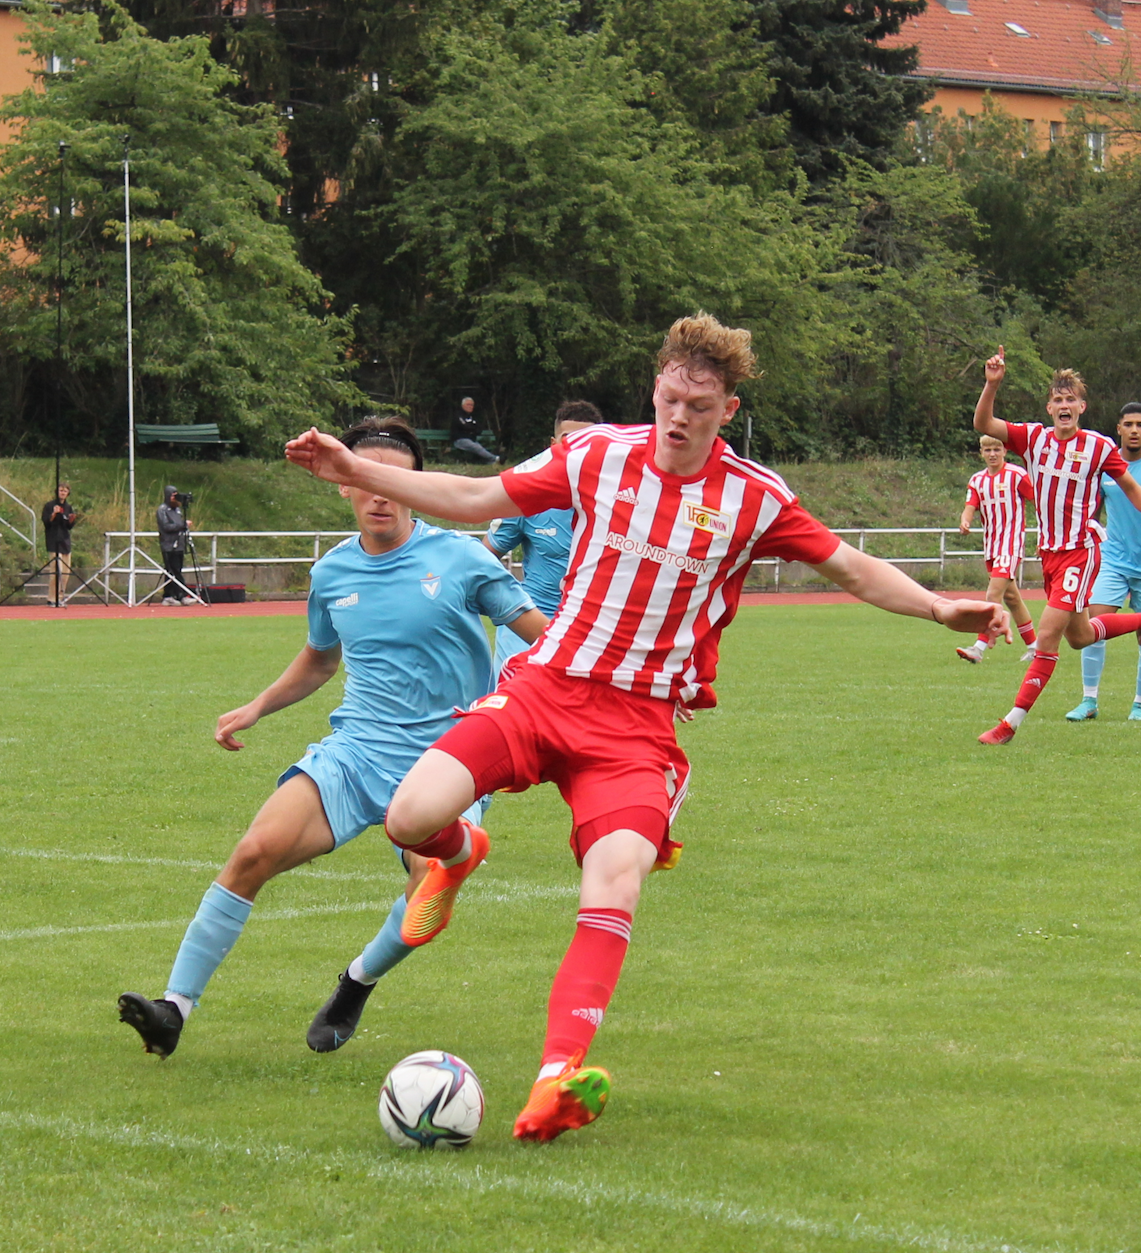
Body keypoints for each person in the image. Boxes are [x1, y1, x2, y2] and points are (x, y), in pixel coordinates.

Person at [285, 314, 1009, 1144]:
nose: (679, 417)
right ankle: (457, 854)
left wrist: (934, 605)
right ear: (656, 388)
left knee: (616, 876)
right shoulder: (596, 454)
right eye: (670, 397)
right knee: (412, 816)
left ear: (727, 410)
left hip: (637, 729)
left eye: (699, 407)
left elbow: (847, 564)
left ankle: (557, 1078)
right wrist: (346, 467)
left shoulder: (755, 497)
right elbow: (476, 497)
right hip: (545, 690)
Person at [118, 420, 548, 1059]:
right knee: (253, 851)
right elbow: (321, 660)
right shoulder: (332, 572)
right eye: (361, 476)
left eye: (392, 479)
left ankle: (357, 981)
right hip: (356, 752)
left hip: (451, 755)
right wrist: (258, 706)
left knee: (429, 886)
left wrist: (618, 682)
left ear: (414, 485)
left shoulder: (461, 558)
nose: (379, 494)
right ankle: (173, 1009)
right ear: (344, 485)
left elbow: (543, 633)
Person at [971, 350, 1141, 745]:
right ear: (1050, 406)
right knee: (1080, 636)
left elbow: (1130, 485)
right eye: (1058, 400)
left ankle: (1009, 724)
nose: (1065, 406)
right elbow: (983, 423)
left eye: (1072, 400)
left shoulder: (1099, 447)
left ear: (1082, 407)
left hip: (1081, 551)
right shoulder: (1032, 438)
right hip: (1049, 553)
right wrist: (992, 384)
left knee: (1048, 639)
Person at [1069, 404, 1141, 722]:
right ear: (1118, 429)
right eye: (1128, 424)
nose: (1134, 430)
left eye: (1140, 424)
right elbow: (1090, 511)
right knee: (1094, 626)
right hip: (1111, 559)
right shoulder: (1106, 467)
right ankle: (1089, 700)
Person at [484, 401, 600, 663]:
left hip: (588, 635)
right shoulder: (526, 497)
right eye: (569, 441)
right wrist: (509, 603)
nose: (577, 451)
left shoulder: (618, 504)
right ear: (553, 444)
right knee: (513, 702)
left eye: (588, 443)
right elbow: (483, 557)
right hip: (526, 630)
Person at [955, 433, 1038, 665]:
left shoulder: (1016, 475)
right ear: (981, 453)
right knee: (1012, 598)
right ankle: (1035, 647)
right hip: (991, 547)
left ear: (1005, 451)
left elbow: (1039, 504)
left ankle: (979, 648)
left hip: (1010, 545)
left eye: (997, 449)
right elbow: (970, 505)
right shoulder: (977, 480)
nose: (992, 454)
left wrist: (1045, 534)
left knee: (993, 595)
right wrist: (965, 521)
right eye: (988, 450)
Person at [155, 485, 196, 606]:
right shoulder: (162, 510)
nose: (175, 498)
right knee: (172, 571)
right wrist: (183, 525)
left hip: (179, 544)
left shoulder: (177, 510)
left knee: (176, 570)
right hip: (168, 544)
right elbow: (166, 527)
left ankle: (170, 595)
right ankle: (181, 595)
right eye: (173, 495)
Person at [39, 483, 78, 605]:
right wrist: (54, 514)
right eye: (61, 490)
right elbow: (46, 522)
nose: (63, 493)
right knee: (56, 570)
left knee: (66, 572)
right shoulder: (49, 505)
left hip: (65, 541)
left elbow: (68, 526)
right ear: (57, 491)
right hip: (53, 541)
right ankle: (52, 598)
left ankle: (60, 597)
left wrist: (71, 520)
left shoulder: (68, 507)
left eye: (65, 491)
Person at [450, 396, 499, 464]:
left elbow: (479, 429)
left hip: (471, 440)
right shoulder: (458, 415)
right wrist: (472, 429)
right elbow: (465, 426)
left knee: (478, 447)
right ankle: (496, 458)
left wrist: (472, 429)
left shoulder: (472, 417)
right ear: (463, 405)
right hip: (460, 440)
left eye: (472, 405)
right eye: (468, 404)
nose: (470, 406)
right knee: (476, 447)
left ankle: (491, 461)